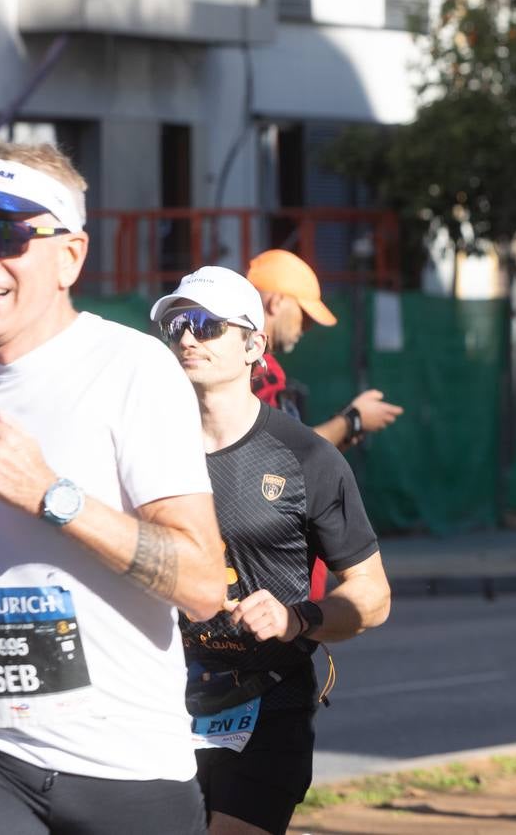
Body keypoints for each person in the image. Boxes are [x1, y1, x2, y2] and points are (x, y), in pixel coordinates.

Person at [0, 141, 226, 832]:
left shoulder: (131, 371)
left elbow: (204, 585)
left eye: (9, 235)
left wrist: (55, 497)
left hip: (128, 766)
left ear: (70, 256)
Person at [151, 266, 392, 835]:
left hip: (268, 703)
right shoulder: (145, 446)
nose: (187, 337)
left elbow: (373, 595)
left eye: (208, 325)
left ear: (254, 344)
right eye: (177, 325)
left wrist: (296, 618)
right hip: (159, 700)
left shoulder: (307, 457)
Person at [245, 248, 403, 602]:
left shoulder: (253, 369)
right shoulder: (257, 370)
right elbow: (275, 456)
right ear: (275, 302)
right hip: (273, 587)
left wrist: (346, 431)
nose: (308, 327)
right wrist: (352, 421)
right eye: (304, 315)